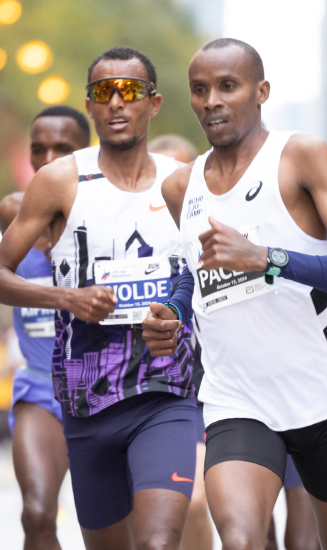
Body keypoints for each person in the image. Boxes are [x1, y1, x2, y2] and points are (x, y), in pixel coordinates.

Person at [141, 38, 327, 550]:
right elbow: (195, 272)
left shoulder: (301, 157)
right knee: (241, 537)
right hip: (236, 399)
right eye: (200, 90)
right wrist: (173, 311)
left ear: (261, 91)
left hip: (319, 396)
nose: (212, 101)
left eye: (227, 86)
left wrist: (267, 258)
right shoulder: (179, 187)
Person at [0, 47, 198, 550]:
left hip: (165, 395)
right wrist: (67, 299)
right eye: (102, 92)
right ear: (89, 106)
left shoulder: (183, 182)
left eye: (128, 90)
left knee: (157, 542)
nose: (115, 101)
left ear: (153, 104)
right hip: (87, 403)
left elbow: (207, 276)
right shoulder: (61, 181)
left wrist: (176, 314)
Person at [1, 105, 89, 550]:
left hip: (105, 388)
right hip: (39, 387)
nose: (49, 158)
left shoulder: (110, 214)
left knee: (121, 528)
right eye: (39, 149)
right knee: (36, 513)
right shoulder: (14, 213)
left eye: (63, 148)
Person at [148, 134, 213, 550]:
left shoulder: (215, 235)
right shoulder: (130, 241)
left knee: (192, 501)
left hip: (209, 389)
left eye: (183, 174)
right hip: (145, 391)